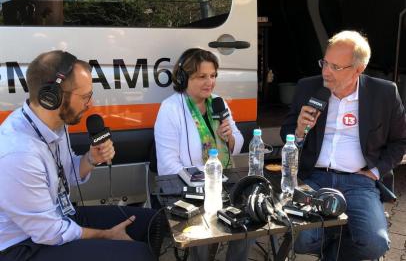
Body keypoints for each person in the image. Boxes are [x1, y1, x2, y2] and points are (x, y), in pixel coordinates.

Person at [0, 50, 158, 261]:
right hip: (25, 245)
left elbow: (67, 174)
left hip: (59, 217)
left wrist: (91, 159)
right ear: (53, 97)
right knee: (138, 255)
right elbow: (50, 233)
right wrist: (106, 235)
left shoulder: (55, 123)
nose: (90, 104)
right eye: (85, 97)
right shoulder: (18, 153)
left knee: (154, 223)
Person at [280, 30, 406, 260]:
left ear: (359, 69)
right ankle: (335, 235)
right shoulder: (308, 87)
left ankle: (336, 245)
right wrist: (299, 131)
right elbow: (285, 134)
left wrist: (376, 171)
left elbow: (400, 141)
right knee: (301, 239)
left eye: (335, 67)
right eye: (325, 63)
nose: (326, 72)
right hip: (314, 178)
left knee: (375, 245)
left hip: (360, 181)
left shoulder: (384, 93)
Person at [154, 48, 250, 261]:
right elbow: (168, 165)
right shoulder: (171, 108)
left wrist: (230, 138)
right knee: (201, 232)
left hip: (224, 181)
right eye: (202, 77)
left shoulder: (218, 102)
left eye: (213, 75)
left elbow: (238, 142)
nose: (210, 82)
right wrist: (202, 184)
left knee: (249, 219)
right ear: (183, 78)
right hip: (189, 189)